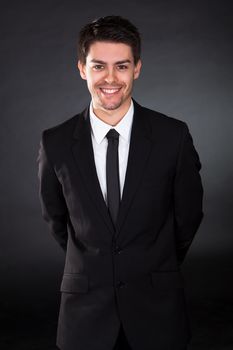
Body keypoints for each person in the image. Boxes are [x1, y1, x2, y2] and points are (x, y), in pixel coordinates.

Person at [38, 15, 204, 350]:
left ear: (137, 68)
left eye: (122, 66)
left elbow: (188, 216)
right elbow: (57, 221)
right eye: (99, 66)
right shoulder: (54, 142)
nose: (110, 78)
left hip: (157, 306)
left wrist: (155, 262)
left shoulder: (173, 136)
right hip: (85, 311)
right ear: (82, 69)